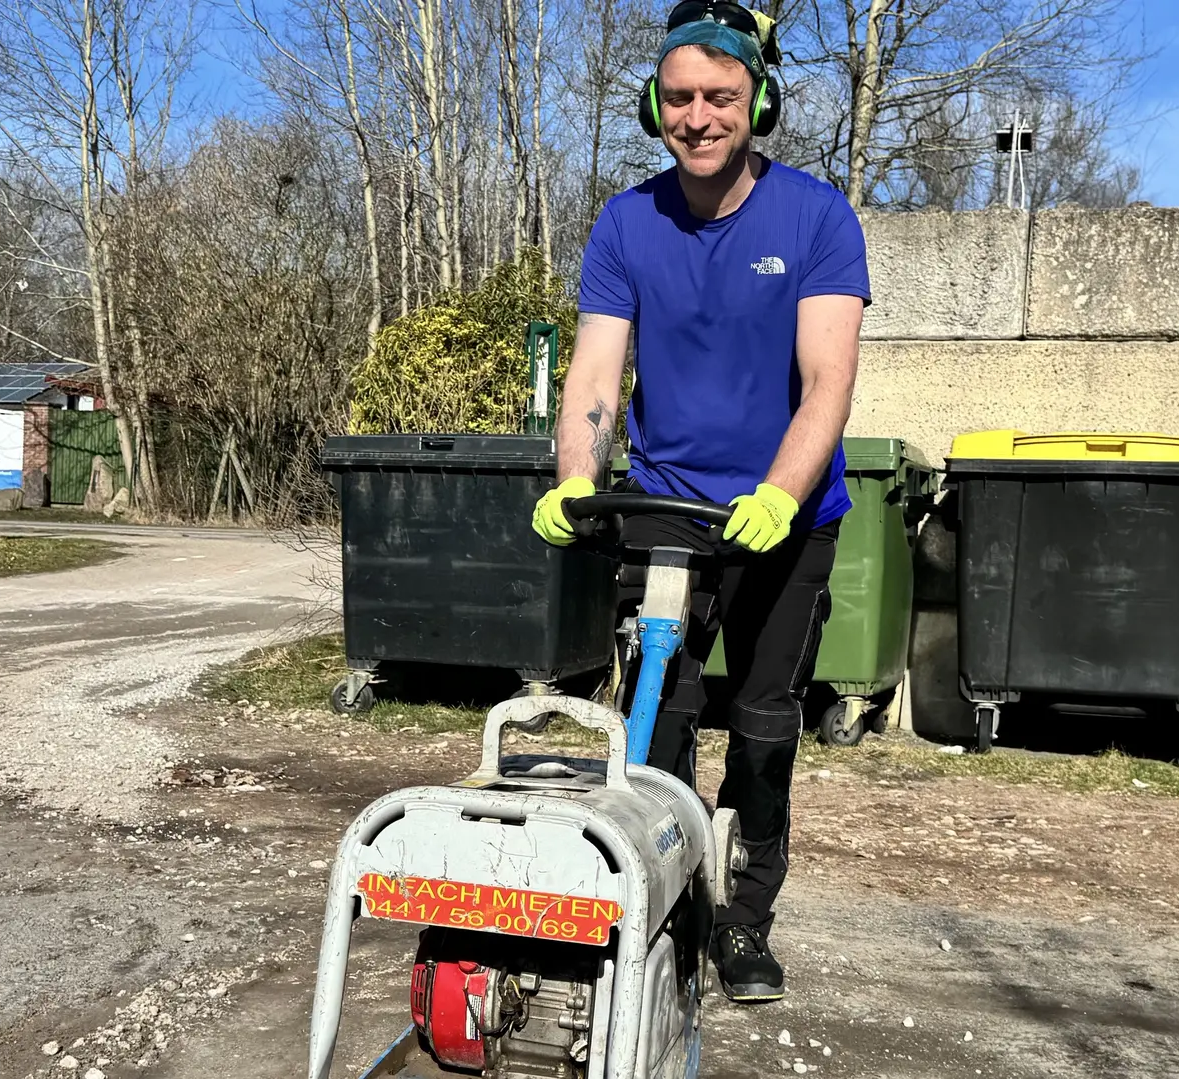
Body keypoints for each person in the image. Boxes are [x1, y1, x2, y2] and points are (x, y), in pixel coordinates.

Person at [529, 0, 868, 1005]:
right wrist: (575, 482)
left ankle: (744, 918)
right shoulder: (628, 222)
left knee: (763, 723)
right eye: (679, 97)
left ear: (756, 100)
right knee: (655, 718)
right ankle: (658, 901)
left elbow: (829, 380)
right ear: (654, 106)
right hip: (667, 513)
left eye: (721, 95)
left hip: (783, 518)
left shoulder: (814, 217)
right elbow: (596, 374)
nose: (699, 114)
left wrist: (780, 489)